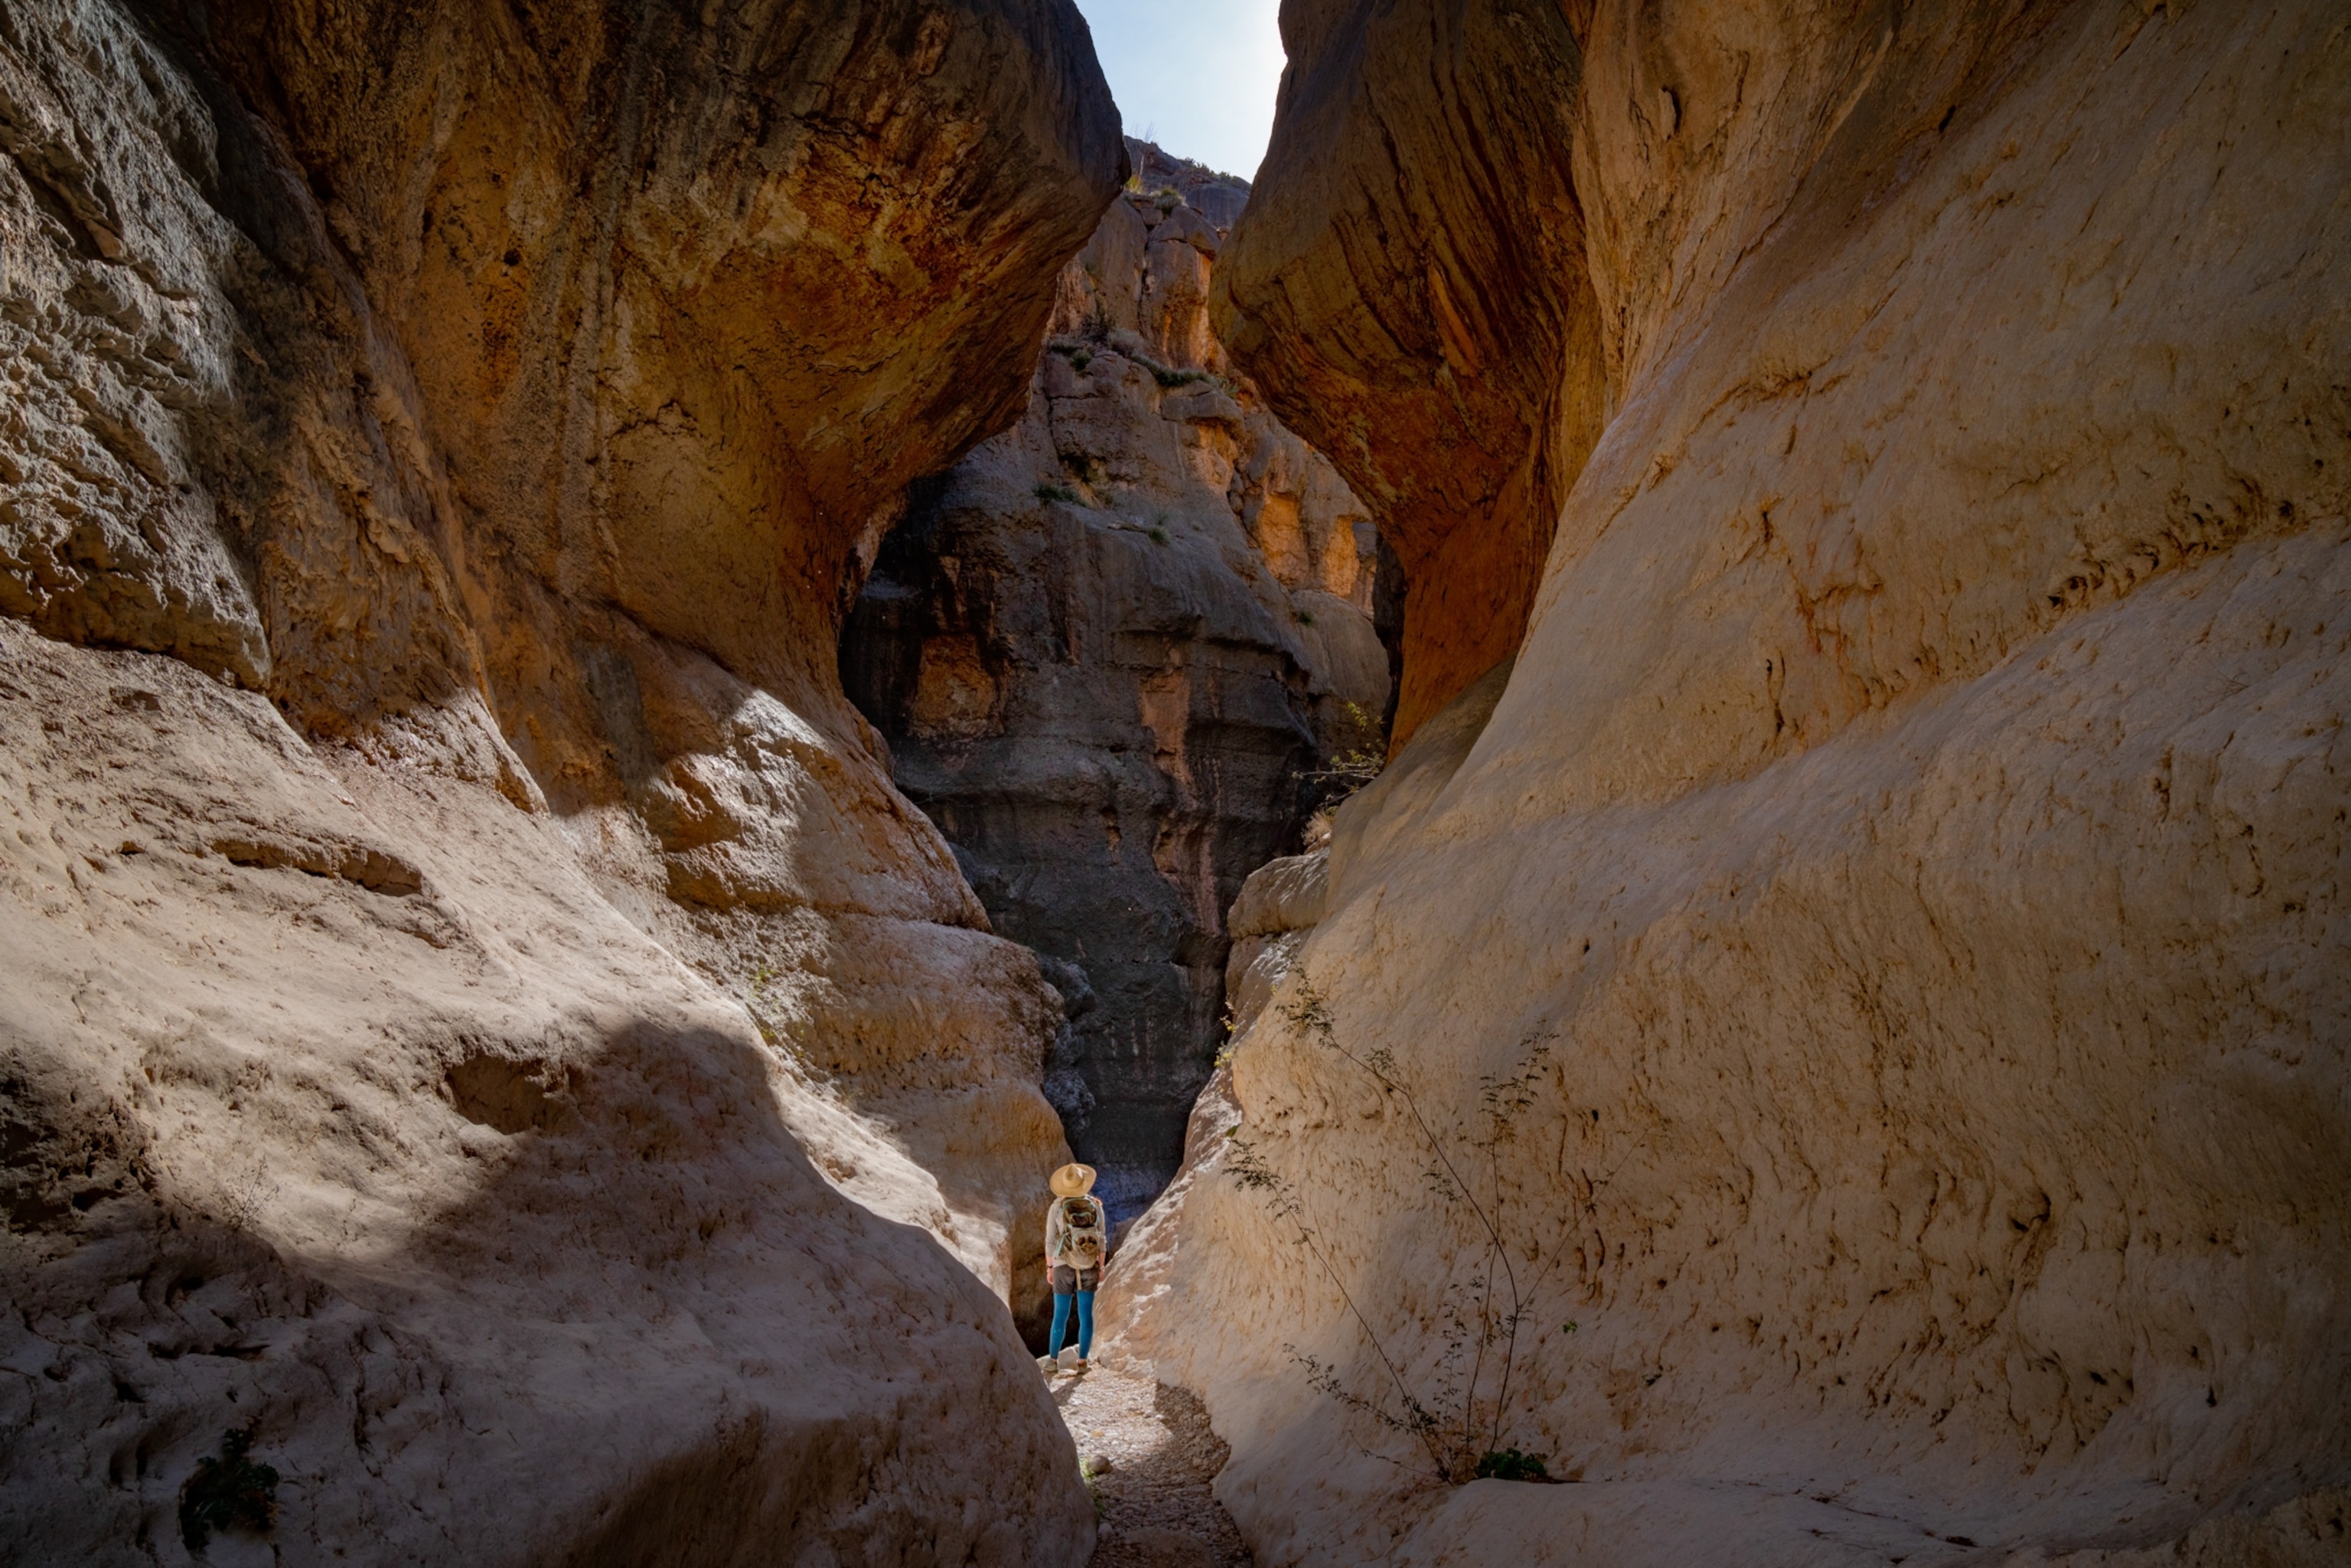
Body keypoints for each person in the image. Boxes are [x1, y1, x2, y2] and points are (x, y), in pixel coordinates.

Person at [1042, 1162, 1109, 1374]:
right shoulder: (1095, 1205)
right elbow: (1102, 1240)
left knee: (1060, 1314)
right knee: (1085, 1315)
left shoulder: (1058, 1206)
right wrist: (1100, 1267)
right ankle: (1082, 1363)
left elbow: (1050, 1241)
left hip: (1063, 1265)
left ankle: (1052, 1361)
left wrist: (1050, 1267)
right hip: (1089, 1265)